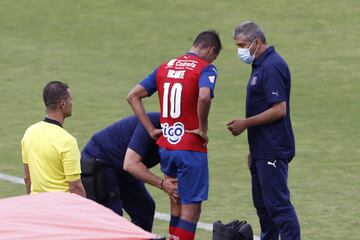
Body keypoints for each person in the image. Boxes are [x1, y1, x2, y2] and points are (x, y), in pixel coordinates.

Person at [127, 30, 222, 240]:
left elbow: (133, 96)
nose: (213, 60)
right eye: (214, 56)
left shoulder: (166, 67)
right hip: (190, 148)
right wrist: (203, 128)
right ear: (211, 50)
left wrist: (151, 129)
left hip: (167, 147)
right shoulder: (206, 68)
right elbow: (204, 97)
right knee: (192, 211)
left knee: (176, 198)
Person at [227, 21, 300, 240]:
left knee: (278, 207)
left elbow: (279, 110)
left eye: (241, 45)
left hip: (273, 149)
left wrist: (245, 123)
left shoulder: (272, 66)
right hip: (261, 149)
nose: (239, 50)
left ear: (256, 42)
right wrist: (254, 148)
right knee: (263, 208)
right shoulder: (260, 65)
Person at [81, 112, 177, 232]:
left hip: (122, 165)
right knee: (112, 215)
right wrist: (162, 184)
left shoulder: (178, 136)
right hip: (100, 159)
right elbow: (130, 164)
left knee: (144, 208)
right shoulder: (153, 123)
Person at [21, 81, 86, 197]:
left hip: (37, 207)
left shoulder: (29, 133)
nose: (72, 103)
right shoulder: (67, 141)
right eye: (71, 99)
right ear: (63, 104)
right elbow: (75, 188)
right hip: (60, 209)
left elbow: (27, 179)